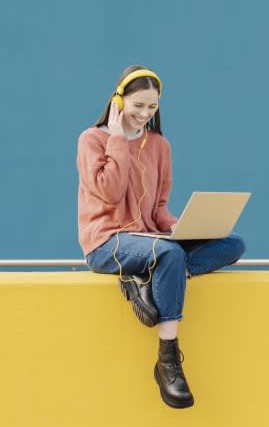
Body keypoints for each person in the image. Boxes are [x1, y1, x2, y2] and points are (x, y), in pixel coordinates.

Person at [76, 65, 246, 409]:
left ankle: (148, 279)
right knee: (169, 255)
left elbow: (158, 209)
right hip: (107, 242)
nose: (144, 114)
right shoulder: (92, 140)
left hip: (150, 240)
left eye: (152, 107)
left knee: (233, 244)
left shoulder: (159, 146)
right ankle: (168, 359)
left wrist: (184, 226)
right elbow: (109, 194)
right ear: (118, 101)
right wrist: (118, 140)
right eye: (137, 105)